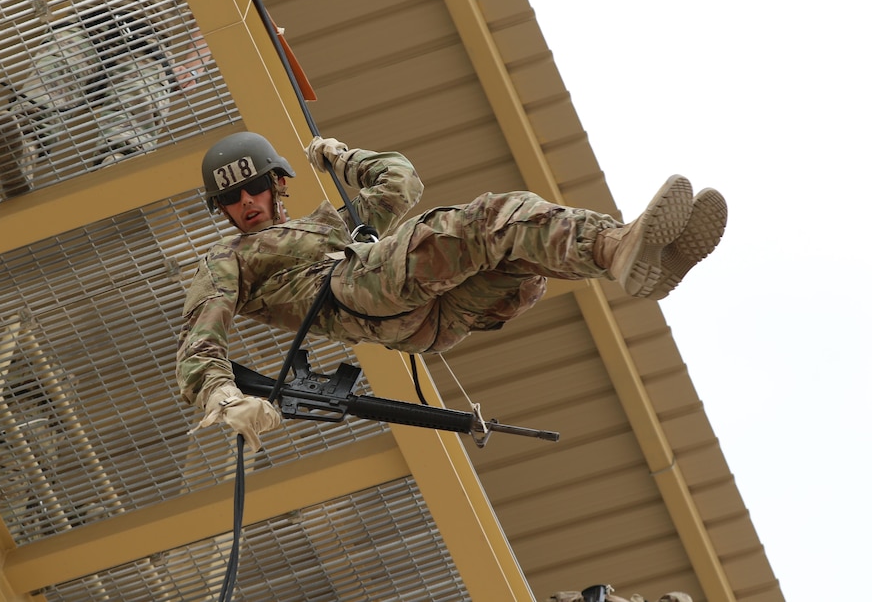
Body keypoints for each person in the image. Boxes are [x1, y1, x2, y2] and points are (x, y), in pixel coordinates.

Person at [178, 132, 727, 451]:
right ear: (221, 209)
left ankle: (641, 256)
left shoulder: (333, 220)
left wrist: (341, 158)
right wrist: (222, 397)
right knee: (488, 217)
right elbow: (203, 332)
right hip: (356, 290)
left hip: (428, 319)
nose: (246, 202)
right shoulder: (228, 261)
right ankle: (618, 248)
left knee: (517, 247)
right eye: (231, 197)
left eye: (254, 185)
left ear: (277, 183)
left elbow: (400, 180)